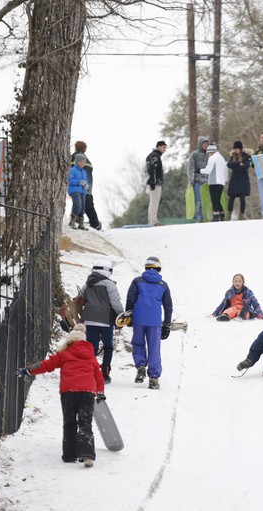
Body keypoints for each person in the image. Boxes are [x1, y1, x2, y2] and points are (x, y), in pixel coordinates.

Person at [17, 323, 105, 467]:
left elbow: (45, 365)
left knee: (69, 423)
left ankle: (70, 455)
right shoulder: (90, 357)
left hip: (68, 392)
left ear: (69, 341)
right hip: (87, 392)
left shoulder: (64, 354)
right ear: (84, 341)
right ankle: (87, 454)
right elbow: (99, 376)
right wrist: (100, 392)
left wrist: (27, 370)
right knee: (85, 423)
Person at [125, 256, 173, 389]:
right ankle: (154, 378)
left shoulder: (137, 281)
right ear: (159, 268)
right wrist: (167, 324)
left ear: (146, 267)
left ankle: (140, 366)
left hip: (139, 319)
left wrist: (128, 316)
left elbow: (130, 299)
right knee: (154, 347)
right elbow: (168, 306)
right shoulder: (163, 285)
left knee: (138, 343)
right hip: (155, 321)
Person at [79, 261, 124, 384]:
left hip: (89, 320)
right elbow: (115, 302)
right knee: (108, 346)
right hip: (105, 321)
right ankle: (104, 372)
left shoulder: (87, 284)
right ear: (107, 270)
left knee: (91, 347)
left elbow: (80, 297)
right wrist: (122, 315)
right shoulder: (109, 285)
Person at [71, 141, 101, 231]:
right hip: (88, 187)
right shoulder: (87, 160)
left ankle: (77, 222)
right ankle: (95, 224)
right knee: (88, 205)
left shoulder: (74, 157)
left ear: (76, 147)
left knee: (79, 204)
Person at [187, 136, 210, 222]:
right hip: (197, 181)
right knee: (198, 200)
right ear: (200, 144)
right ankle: (200, 217)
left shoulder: (209, 155)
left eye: (207, 144)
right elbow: (191, 168)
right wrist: (191, 180)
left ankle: (207, 216)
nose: (205, 145)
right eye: (204, 143)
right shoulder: (194, 155)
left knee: (206, 200)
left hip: (207, 181)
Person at [226, 140, 251, 220]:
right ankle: (229, 214)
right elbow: (229, 165)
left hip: (243, 179)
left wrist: (235, 166)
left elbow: (246, 167)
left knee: (242, 197)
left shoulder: (246, 156)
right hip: (234, 179)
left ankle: (241, 214)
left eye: (237, 148)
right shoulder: (232, 156)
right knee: (231, 197)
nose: (236, 150)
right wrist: (238, 163)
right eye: (235, 148)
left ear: (240, 148)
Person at [203, 144, 228, 221]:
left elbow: (208, 170)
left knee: (214, 200)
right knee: (218, 200)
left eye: (208, 153)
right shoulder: (221, 158)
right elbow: (225, 170)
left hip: (214, 182)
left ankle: (216, 216)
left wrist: (200, 170)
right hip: (221, 182)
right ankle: (222, 215)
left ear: (210, 152)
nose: (208, 155)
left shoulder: (212, 158)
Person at [146, 141, 167, 226]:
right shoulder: (155, 156)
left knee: (154, 202)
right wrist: (153, 181)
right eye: (163, 147)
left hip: (154, 181)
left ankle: (153, 220)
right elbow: (152, 169)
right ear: (158, 147)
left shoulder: (153, 155)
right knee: (154, 202)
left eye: (165, 147)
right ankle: (153, 221)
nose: (165, 149)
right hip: (155, 182)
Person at [67, 154, 90, 230]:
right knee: (78, 206)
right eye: (82, 161)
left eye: (84, 161)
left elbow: (86, 181)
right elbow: (70, 180)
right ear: (78, 162)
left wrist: (87, 186)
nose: (83, 163)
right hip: (74, 191)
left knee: (83, 208)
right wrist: (79, 182)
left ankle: (81, 224)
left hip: (83, 192)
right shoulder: (73, 170)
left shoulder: (84, 172)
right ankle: (72, 221)